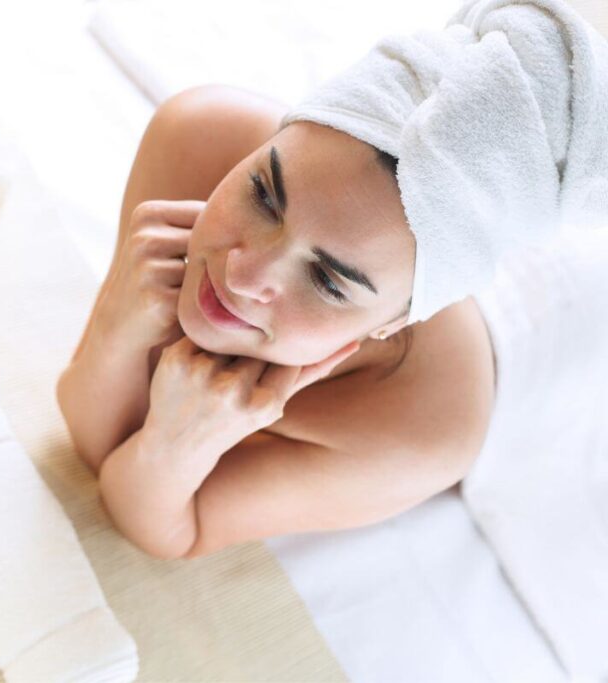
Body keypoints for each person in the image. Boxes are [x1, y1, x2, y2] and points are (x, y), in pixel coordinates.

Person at [56, 85, 495, 561]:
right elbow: (96, 446)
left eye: (327, 280)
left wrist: (177, 442)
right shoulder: (201, 131)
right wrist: (117, 329)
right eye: (264, 197)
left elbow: (159, 526)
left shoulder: (427, 429)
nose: (241, 277)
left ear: (390, 325)